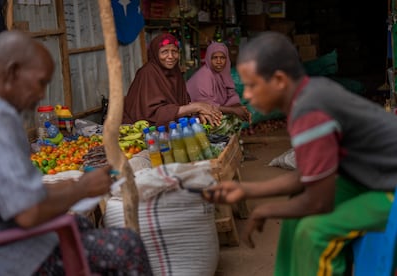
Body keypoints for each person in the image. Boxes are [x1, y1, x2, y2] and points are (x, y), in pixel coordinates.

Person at [204, 31, 397, 276]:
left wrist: (265, 209)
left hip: (390, 187)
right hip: (370, 178)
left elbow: (319, 200)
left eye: (253, 85)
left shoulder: (309, 110)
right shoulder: (307, 94)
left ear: (280, 80)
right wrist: (247, 190)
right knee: (295, 218)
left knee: (314, 232)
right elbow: (309, 174)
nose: (248, 94)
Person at [0, 30, 152, 276]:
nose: (41, 95)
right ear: (12, 72)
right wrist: (82, 189)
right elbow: (28, 213)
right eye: (41, 82)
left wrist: (74, 185)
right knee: (126, 246)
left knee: (81, 223)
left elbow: (14, 190)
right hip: (4, 255)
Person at [123, 33, 222, 127]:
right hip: (144, 129)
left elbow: (181, 104)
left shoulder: (175, 72)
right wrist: (196, 107)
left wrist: (199, 111)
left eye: (174, 51)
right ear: (155, 54)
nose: (170, 56)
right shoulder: (147, 73)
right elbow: (153, 113)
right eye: (164, 52)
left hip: (171, 126)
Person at [186, 42, 250, 122]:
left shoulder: (223, 73)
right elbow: (205, 105)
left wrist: (238, 107)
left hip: (214, 111)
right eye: (215, 58)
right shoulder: (204, 75)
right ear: (209, 58)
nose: (219, 61)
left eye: (222, 58)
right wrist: (233, 110)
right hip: (194, 117)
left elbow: (231, 94)